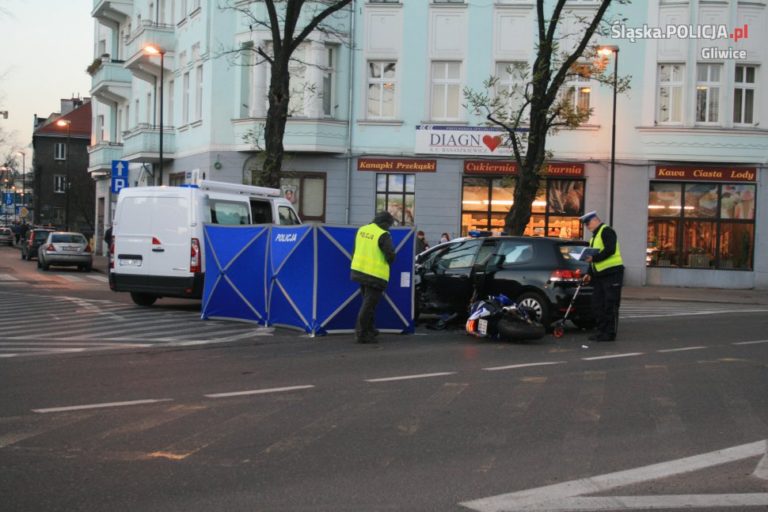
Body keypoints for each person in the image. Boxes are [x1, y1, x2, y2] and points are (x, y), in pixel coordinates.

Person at [350, 211, 396, 344]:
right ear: (386, 223)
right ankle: (361, 334)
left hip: (359, 271)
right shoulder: (383, 234)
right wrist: (392, 258)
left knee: (368, 303)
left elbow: (355, 249)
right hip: (375, 275)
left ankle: (370, 329)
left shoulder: (362, 230)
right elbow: (390, 254)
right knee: (369, 305)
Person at [580, 211, 624, 342]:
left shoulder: (607, 231)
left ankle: (609, 333)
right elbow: (592, 258)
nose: (587, 227)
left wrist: (594, 258)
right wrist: (588, 273)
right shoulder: (594, 237)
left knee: (609, 304)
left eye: (588, 223)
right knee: (597, 304)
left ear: (595, 220)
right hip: (600, 275)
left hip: (612, 273)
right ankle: (601, 331)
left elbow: (610, 250)